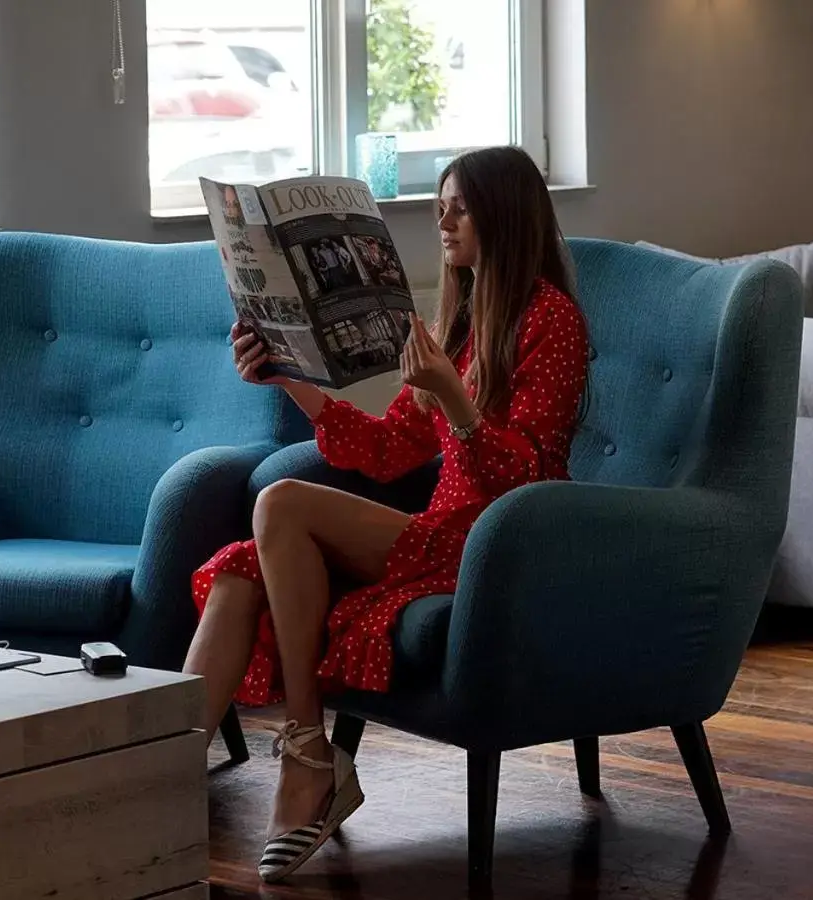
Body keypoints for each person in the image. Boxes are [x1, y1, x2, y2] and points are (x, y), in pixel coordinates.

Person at [183, 145, 590, 883]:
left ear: (504, 216)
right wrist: (287, 379)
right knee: (244, 571)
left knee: (279, 501)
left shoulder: (551, 322)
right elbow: (383, 450)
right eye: (440, 203)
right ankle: (151, 785)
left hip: (504, 545)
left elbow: (527, 477)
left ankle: (308, 760)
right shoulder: (459, 328)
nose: (441, 217)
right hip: (442, 533)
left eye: (459, 206)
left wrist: (457, 401)